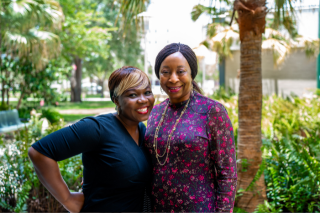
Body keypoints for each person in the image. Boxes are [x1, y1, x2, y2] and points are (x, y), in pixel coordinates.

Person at [28, 66, 155, 212]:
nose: (143, 100)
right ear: (116, 100)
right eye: (132, 95)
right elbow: (40, 152)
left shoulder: (142, 129)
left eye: (147, 92)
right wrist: (67, 199)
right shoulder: (96, 128)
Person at [144, 43, 237, 212]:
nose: (173, 78)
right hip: (158, 208)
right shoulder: (156, 112)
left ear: (192, 74)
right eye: (165, 72)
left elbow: (227, 173)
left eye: (180, 71)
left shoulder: (211, 111)